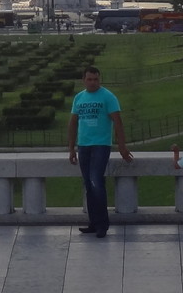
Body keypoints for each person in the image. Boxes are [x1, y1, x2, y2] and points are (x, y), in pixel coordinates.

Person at [67, 65, 133, 239]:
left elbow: (118, 122)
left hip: (101, 145)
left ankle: (103, 224)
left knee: (96, 181)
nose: (93, 82)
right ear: (84, 80)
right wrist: (71, 147)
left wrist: (122, 146)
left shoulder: (108, 96)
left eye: (96, 79)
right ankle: (94, 223)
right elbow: (73, 123)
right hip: (84, 145)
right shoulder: (79, 97)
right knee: (88, 185)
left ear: (99, 79)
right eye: (89, 79)